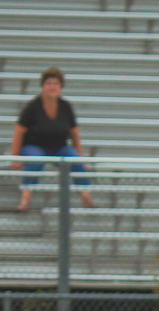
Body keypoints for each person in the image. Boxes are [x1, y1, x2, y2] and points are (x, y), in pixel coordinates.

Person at [9, 66, 95, 211]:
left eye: (56, 84)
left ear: (61, 87)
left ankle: (87, 199)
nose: (52, 87)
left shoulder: (66, 107)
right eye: (48, 83)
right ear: (42, 86)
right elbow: (19, 131)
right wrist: (14, 158)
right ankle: (25, 200)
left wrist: (80, 156)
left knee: (76, 161)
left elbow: (74, 133)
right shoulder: (32, 106)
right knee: (35, 160)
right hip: (35, 146)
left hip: (59, 148)